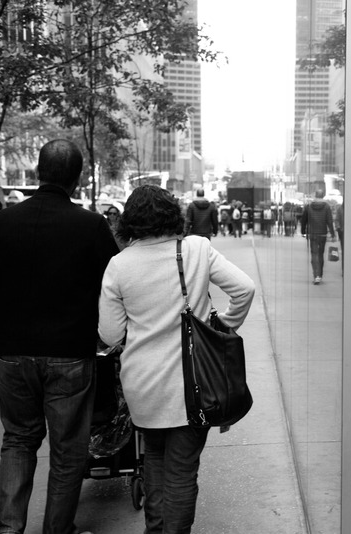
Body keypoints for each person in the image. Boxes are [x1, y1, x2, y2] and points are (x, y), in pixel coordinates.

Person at [98, 185, 254, 534]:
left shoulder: (119, 265)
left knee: (153, 459)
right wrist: (221, 325)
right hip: (193, 386)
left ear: (129, 221)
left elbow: (110, 335)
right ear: (173, 214)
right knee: (182, 470)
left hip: (143, 388)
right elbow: (244, 288)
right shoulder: (196, 249)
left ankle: (155, 529)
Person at [0, 139, 119, 534]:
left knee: (18, 439)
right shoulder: (91, 225)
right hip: (69, 352)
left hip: (12, 352)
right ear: (78, 178)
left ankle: (8, 528)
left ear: (39, 171)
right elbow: (112, 287)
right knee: (67, 449)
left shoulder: (2, 223)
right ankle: (58, 530)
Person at [300, 189, 336, 285]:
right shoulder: (327, 207)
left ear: (315, 195)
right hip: (322, 234)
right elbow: (329, 221)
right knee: (320, 255)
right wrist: (333, 234)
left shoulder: (309, 206)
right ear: (323, 196)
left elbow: (304, 220)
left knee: (314, 254)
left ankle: (316, 276)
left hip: (312, 234)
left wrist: (303, 232)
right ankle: (320, 275)